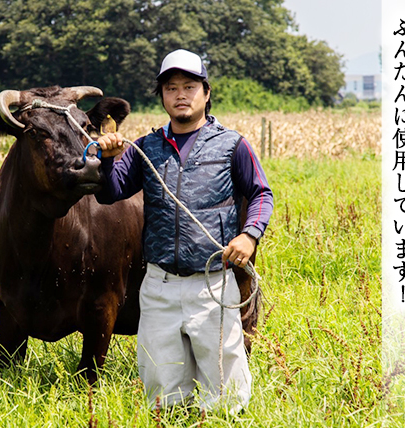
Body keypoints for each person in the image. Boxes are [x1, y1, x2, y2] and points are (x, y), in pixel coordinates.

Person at [95, 49, 273, 413]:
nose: (180, 94)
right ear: (161, 96)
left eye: (189, 86)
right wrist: (107, 159)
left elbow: (260, 193)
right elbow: (111, 192)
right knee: (162, 391)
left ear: (206, 93)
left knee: (224, 389)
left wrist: (249, 234)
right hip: (159, 285)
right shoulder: (146, 147)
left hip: (212, 284)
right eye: (171, 87)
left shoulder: (232, 145)